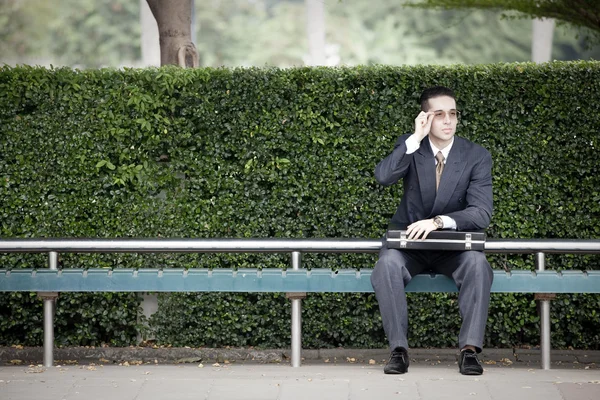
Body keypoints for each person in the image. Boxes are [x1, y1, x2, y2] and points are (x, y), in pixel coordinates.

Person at [371, 86, 493, 376]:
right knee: (386, 264)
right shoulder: (412, 146)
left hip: (452, 247)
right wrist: (415, 138)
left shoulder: (476, 155)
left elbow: (481, 212)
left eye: (453, 114)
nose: (448, 121)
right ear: (425, 117)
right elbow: (383, 176)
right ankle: (398, 350)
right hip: (409, 246)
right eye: (440, 114)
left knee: (478, 265)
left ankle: (469, 351)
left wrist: (438, 221)